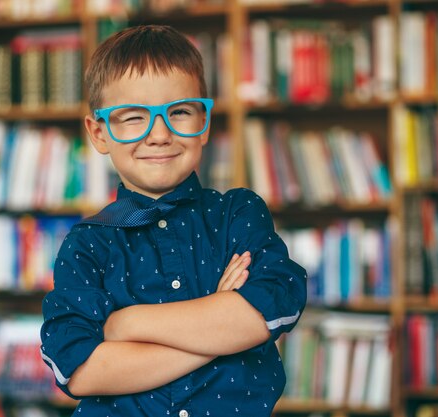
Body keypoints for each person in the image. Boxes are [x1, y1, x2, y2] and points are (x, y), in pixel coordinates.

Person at [40, 24, 307, 417]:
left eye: (179, 112)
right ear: (98, 133)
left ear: (205, 121)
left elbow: (271, 309)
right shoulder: (87, 245)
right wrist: (218, 321)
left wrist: (126, 325)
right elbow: (80, 369)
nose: (159, 134)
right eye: (133, 117)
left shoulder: (238, 214)